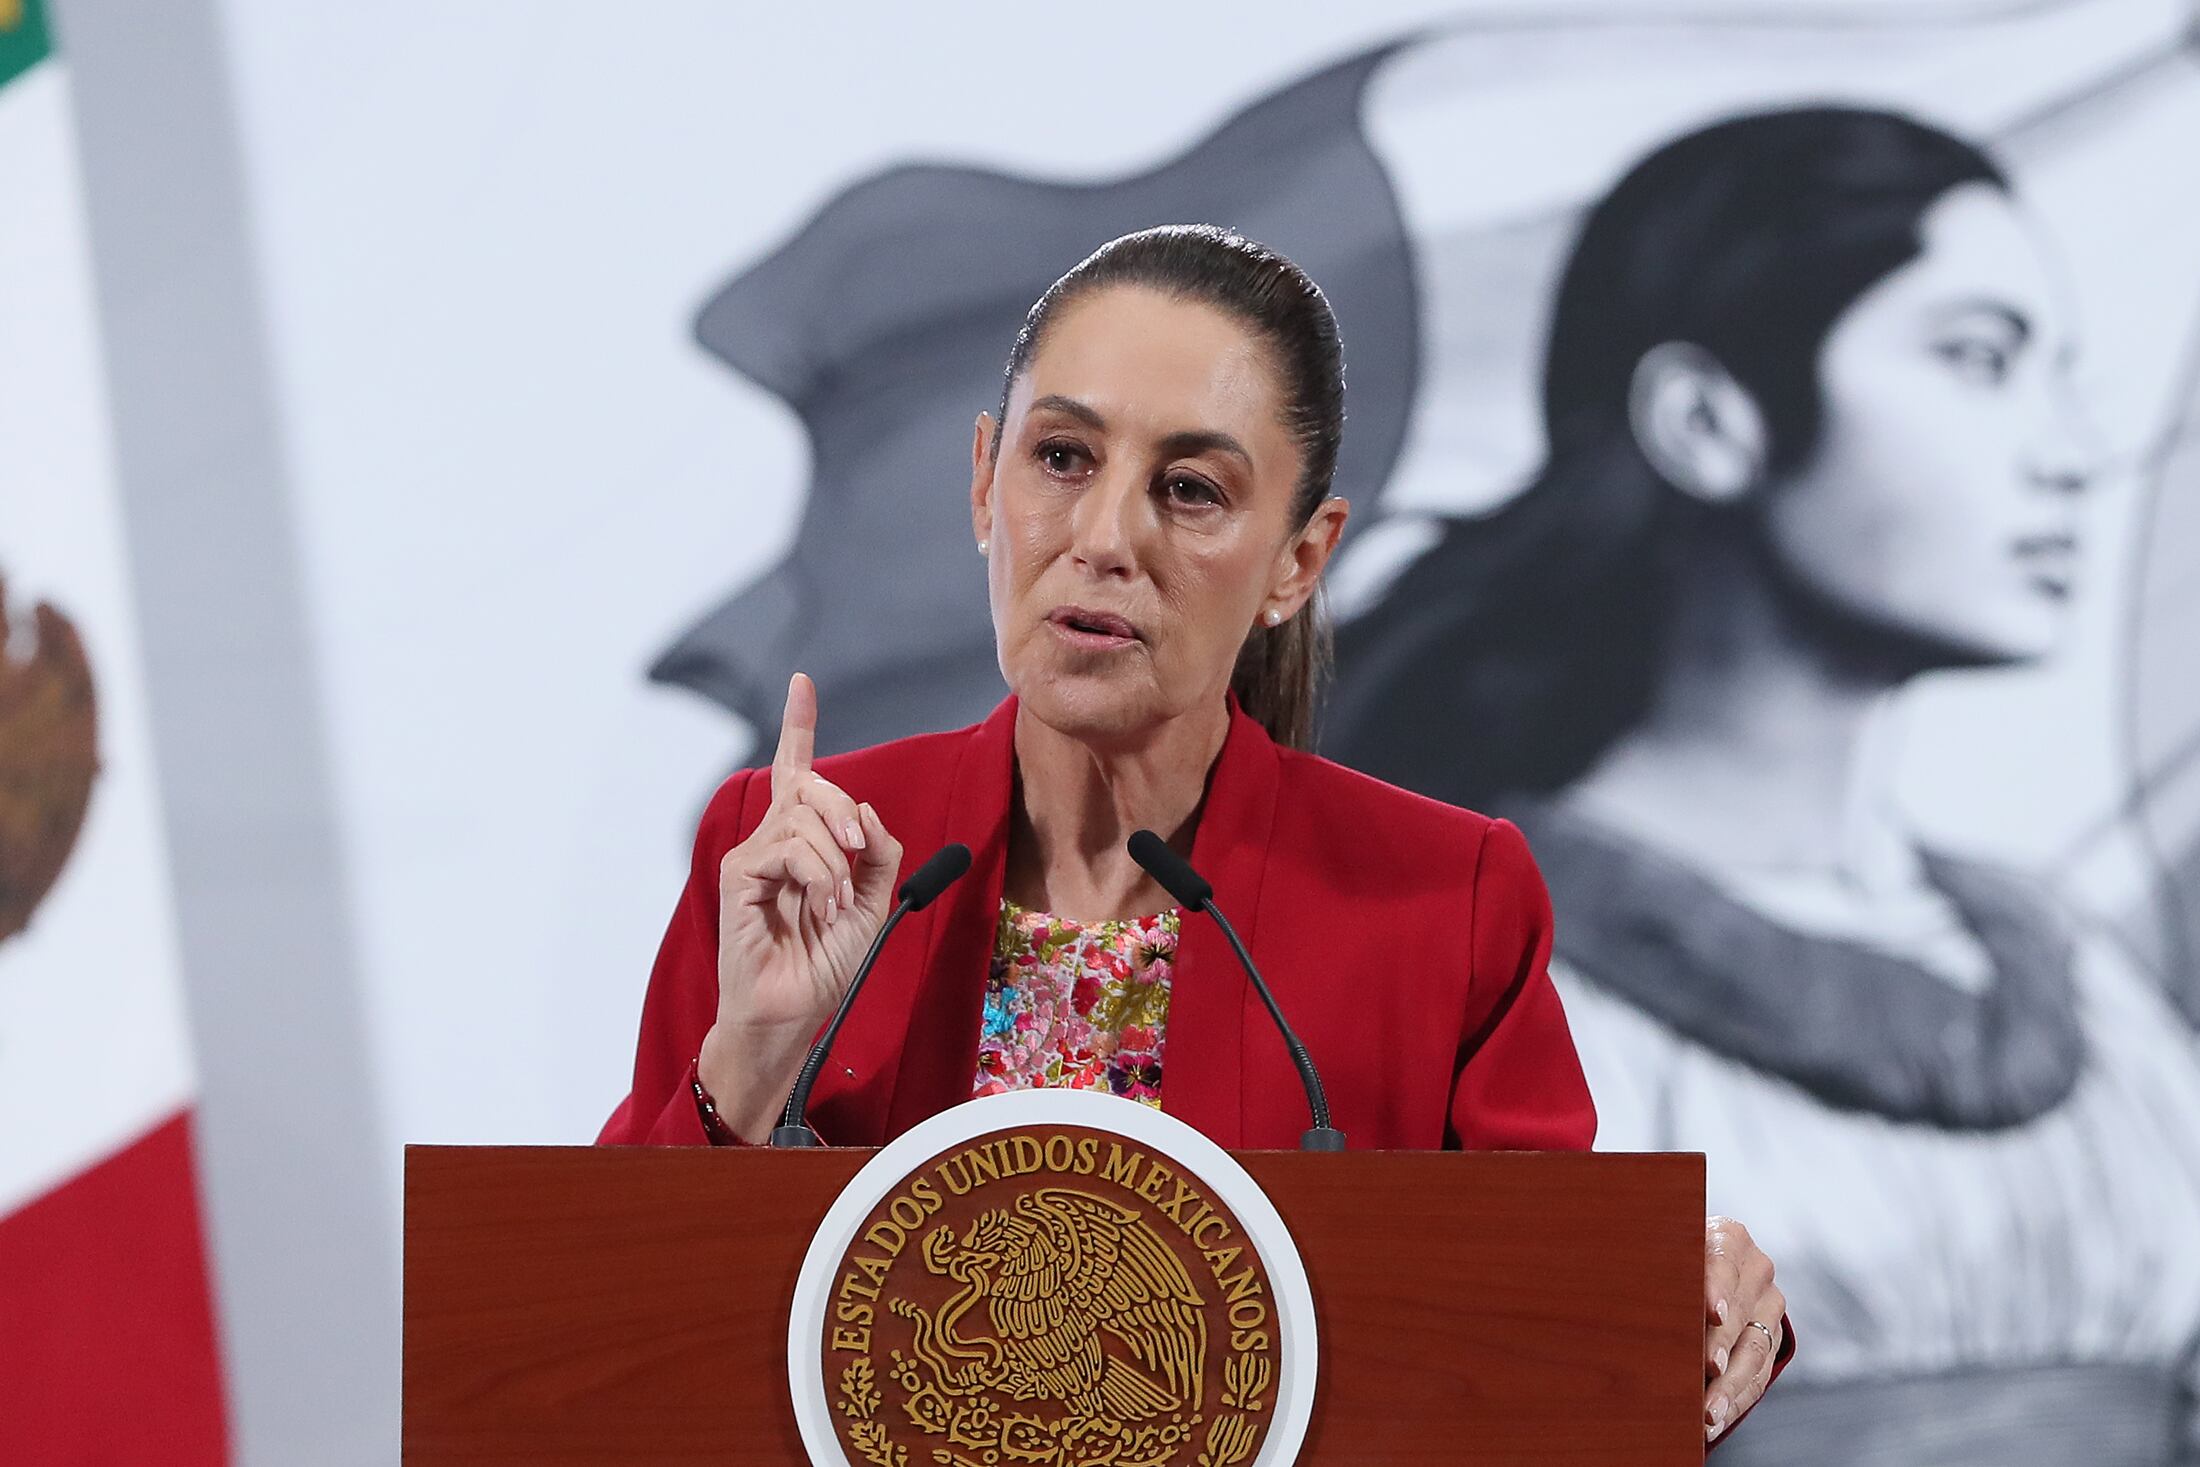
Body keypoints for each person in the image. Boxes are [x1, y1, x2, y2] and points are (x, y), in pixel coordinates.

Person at [599, 224, 1790, 1441]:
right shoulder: (803, 848)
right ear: (980, 482)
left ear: (1297, 559)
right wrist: (751, 1061)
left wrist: (1695, 1304)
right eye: (1060, 457)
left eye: (1190, 489)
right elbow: (597, 1339)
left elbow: (1553, 1332)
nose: (1104, 537)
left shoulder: (1445, 897)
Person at [1326, 108, 2200, 1464]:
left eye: (2061, 374)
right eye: (1979, 359)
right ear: (1707, 419)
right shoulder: (1478, 988)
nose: (2075, 452)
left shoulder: (2095, 990)